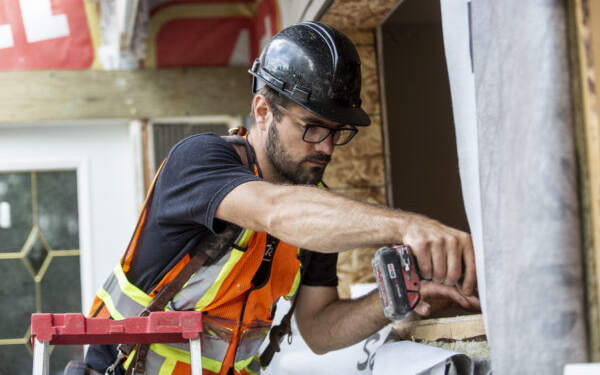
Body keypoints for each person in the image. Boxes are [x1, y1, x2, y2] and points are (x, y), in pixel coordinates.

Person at [84, 21, 479, 375]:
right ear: (262, 110)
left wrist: (397, 297)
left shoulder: (315, 215)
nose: (326, 147)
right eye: (311, 127)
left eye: (336, 131)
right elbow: (275, 211)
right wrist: (406, 226)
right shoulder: (200, 161)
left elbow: (320, 328)